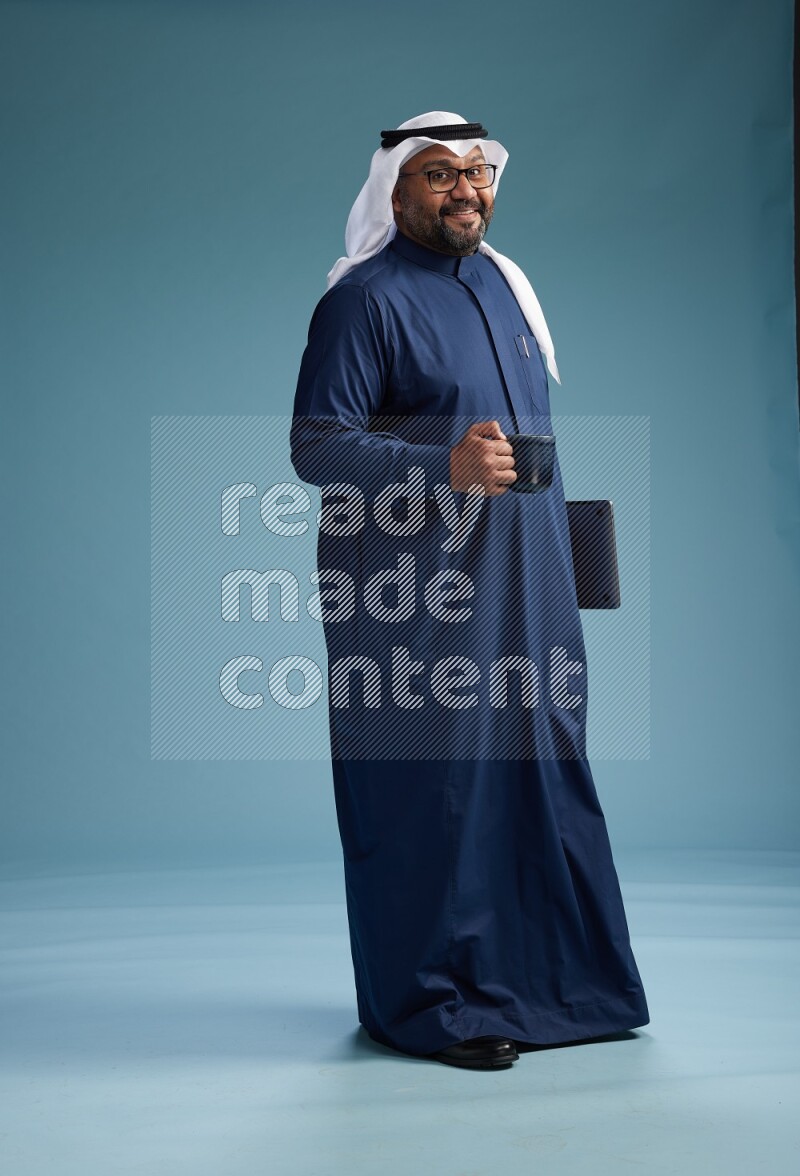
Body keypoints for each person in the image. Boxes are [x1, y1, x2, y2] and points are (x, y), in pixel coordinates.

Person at [290, 111, 649, 1070]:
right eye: (440, 175)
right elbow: (317, 448)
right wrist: (437, 465)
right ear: (396, 191)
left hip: (528, 588)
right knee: (437, 792)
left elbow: (530, 448)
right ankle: (434, 1007)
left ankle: (563, 989)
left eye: (476, 174)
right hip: (417, 598)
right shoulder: (362, 303)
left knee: (544, 777)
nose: (465, 191)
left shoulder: (505, 286)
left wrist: (579, 569)